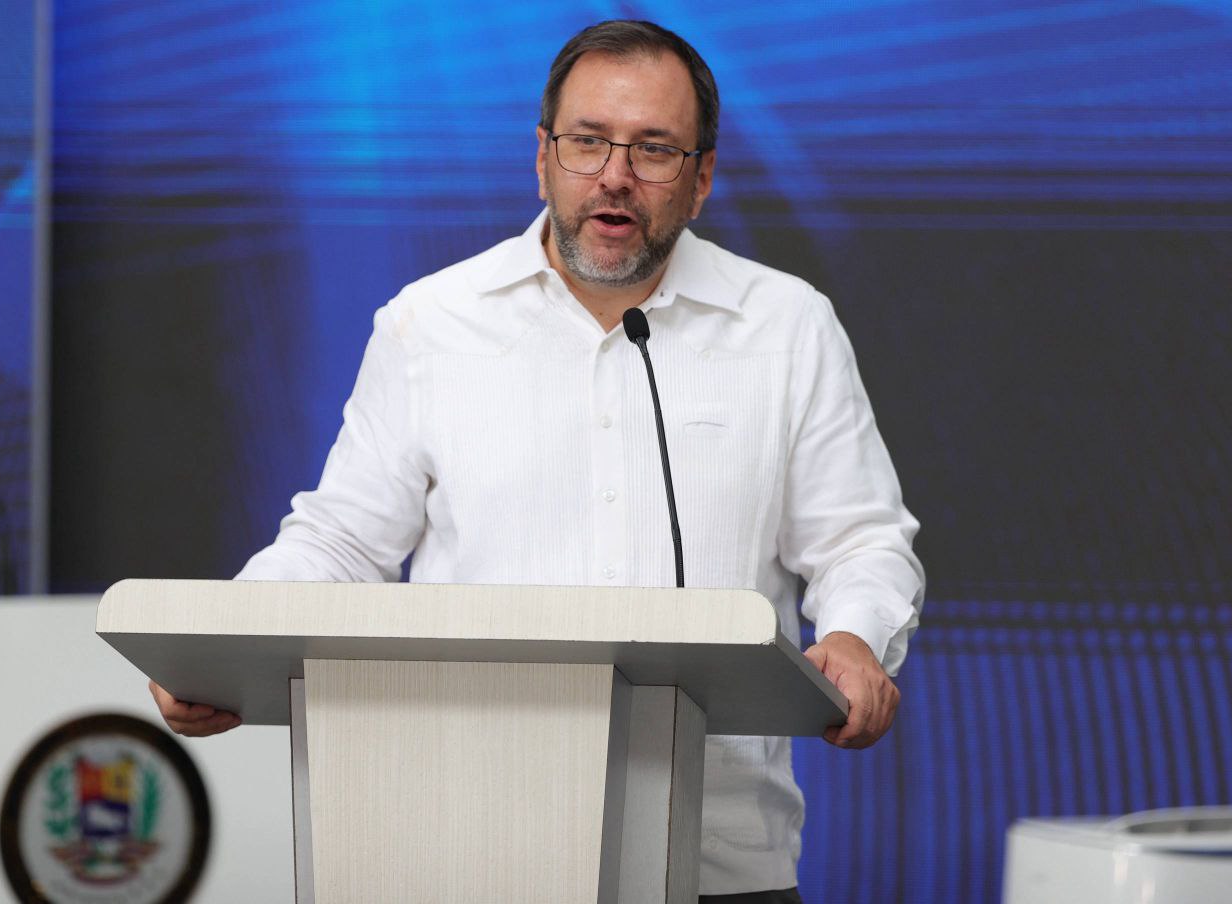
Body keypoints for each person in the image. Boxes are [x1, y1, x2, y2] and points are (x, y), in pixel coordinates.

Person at [150, 20, 924, 902]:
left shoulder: (785, 327)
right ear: (543, 158)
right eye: (587, 141)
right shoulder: (430, 325)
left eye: (654, 149)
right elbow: (341, 544)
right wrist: (223, 646)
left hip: (718, 864)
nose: (615, 176)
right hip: (468, 855)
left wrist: (856, 638)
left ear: (703, 178)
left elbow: (859, 540)